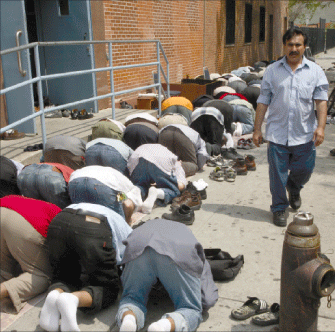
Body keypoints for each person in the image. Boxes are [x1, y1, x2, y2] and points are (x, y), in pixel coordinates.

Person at [253, 27, 329, 227]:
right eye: (290, 45)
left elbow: (321, 101)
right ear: (284, 46)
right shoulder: (272, 71)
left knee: (305, 168)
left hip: (303, 134)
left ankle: (294, 187)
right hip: (277, 133)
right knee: (277, 175)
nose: (294, 48)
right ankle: (279, 208)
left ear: (304, 47)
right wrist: (257, 129)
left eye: (298, 45)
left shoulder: (315, 72)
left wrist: (320, 128)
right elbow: (263, 101)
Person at [39, 202, 132, 332]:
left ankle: (54, 294)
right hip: (93, 227)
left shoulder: (111, 214)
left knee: (64, 276)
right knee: (108, 288)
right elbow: (125, 263)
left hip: (61, 219)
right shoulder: (130, 234)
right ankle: (73, 299)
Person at [116, 219, 218, 332]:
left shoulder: (146, 226)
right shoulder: (185, 233)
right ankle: (164, 326)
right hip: (176, 249)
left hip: (139, 244)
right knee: (191, 308)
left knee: (132, 298)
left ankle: (129, 319)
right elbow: (207, 297)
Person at [0, 196, 61, 313]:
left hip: (3, 206)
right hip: (23, 223)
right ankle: (4, 290)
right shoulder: (64, 221)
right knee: (41, 275)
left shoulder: (54, 208)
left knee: (3, 268)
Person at [68, 165, 143, 224]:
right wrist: (126, 223)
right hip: (101, 184)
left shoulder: (119, 181)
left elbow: (118, 195)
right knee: (115, 223)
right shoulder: (132, 190)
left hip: (75, 181)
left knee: (85, 219)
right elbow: (128, 204)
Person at [127, 144, 187, 214]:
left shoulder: (165, 151)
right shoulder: (176, 164)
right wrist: (162, 186)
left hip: (138, 156)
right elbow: (181, 185)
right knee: (175, 191)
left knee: (141, 184)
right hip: (160, 160)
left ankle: (138, 190)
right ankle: (157, 193)